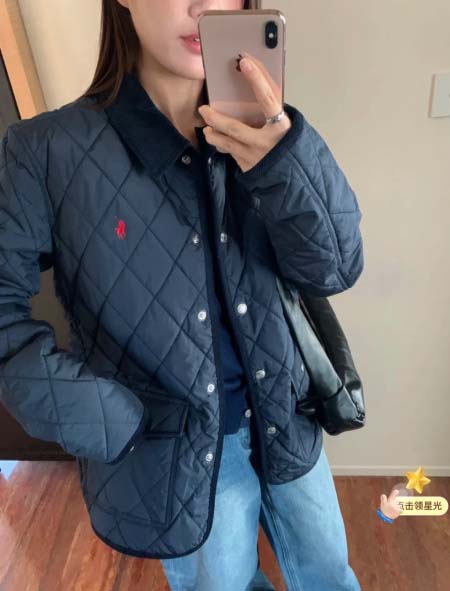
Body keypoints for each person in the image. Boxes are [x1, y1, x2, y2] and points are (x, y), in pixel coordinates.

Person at [0, 1, 364, 589]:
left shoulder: (264, 132)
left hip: (287, 420)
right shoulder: (46, 151)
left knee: (331, 577)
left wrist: (284, 156)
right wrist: (107, 418)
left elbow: (337, 268)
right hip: (172, 449)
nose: (203, 7)